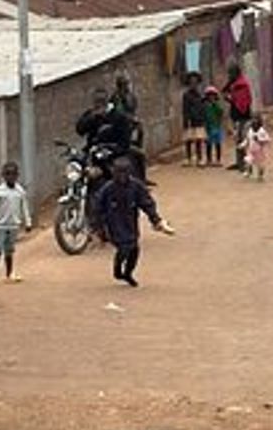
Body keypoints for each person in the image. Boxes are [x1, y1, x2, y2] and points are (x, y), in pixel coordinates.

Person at [89, 154, 173, 286]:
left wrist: (155, 220)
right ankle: (117, 270)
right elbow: (97, 207)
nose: (122, 177)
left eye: (125, 173)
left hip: (130, 222)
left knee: (135, 250)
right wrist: (97, 227)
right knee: (124, 248)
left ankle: (128, 273)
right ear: (113, 172)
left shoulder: (136, 186)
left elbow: (147, 204)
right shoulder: (108, 188)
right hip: (113, 223)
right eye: (118, 173)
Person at [0, 162, 31, 284]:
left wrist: (28, 222)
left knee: (9, 251)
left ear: (17, 176)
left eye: (13, 174)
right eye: (8, 174)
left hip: (13, 225)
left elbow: (24, 206)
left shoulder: (20, 191)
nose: (11, 177)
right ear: (3, 176)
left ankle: (10, 273)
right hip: (0, 225)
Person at [224, 63, 254, 172]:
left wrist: (230, 98)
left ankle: (246, 163)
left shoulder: (242, 85)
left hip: (243, 116)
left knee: (243, 140)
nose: (229, 75)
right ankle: (239, 162)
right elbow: (225, 91)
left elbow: (242, 103)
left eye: (230, 73)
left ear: (235, 73)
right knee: (238, 139)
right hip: (236, 116)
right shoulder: (234, 84)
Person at [180, 72, 209, 167]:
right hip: (189, 120)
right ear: (189, 83)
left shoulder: (199, 95)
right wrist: (186, 120)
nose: (194, 84)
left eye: (195, 82)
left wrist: (203, 118)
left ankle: (199, 158)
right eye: (191, 82)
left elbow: (202, 107)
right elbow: (185, 109)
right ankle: (188, 159)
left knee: (199, 140)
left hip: (198, 120)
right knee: (188, 140)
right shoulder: (186, 95)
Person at [203, 86, 227, 168]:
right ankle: (209, 160)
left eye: (213, 95)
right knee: (208, 144)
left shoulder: (217, 105)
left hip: (217, 126)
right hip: (208, 127)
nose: (211, 97)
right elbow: (205, 116)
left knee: (217, 144)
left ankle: (218, 160)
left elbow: (221, 113)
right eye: (209, 95)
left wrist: (215, 105)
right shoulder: (205, 106)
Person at [244, 116, 272, 181]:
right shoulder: (250, 131)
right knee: (248, 161)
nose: (254, 125)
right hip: (251, 150)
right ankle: (248, 172)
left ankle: (260, 176)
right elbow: (248, 139)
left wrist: (259, 139)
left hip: (260, 151)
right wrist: (243, 144)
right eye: (253, 124)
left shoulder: (262, 131)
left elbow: (268, 139)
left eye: (256, 124)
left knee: (260, 165)